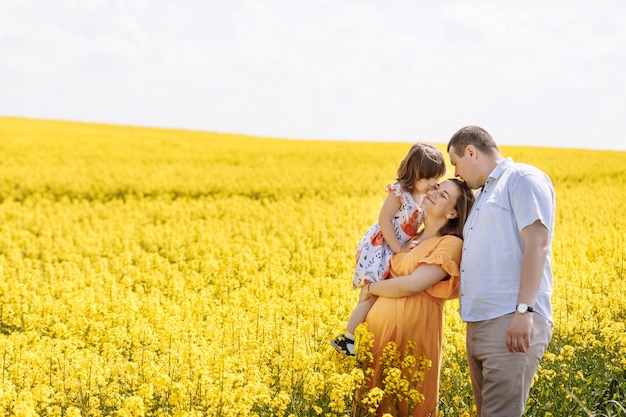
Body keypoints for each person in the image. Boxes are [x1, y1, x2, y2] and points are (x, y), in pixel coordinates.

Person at [447, 126, 555, 417]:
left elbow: (538, 244)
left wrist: (524, 311)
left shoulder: (521, 178)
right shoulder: (483, 194)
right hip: (480, 323)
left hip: (509, 321)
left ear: (471, 151)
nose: (456, 172)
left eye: (455, 163)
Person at [356, 178, 475, 417]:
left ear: (453, 212)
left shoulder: (450, 244)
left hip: (415, 335)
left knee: (409, 402)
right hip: (378, 335)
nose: (433, 193)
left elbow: (413, 285)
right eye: (436, 188)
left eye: (443, 195)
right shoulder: (409, 237)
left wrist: (371, 289)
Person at [331, 143, 447, 357]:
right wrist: (399, 249)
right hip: (380, 247)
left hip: (394, 248)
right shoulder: (399, 192)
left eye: (436, 178)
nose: (433, 184)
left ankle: (358, 336)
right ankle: (346, 336)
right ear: (414, 174)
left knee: (379, 292)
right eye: (428, 178)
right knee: (372, 293)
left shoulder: (423, 198)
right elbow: (383, 220)